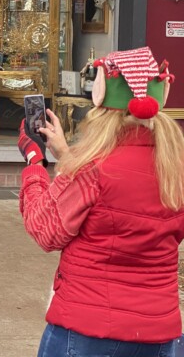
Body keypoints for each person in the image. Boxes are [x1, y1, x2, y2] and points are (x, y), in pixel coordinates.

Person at [17, 46, 184, 357]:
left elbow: (44, 228)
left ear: (102, 103)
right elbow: (124, 196)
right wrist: (66, 155)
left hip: (86, 331)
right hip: (160, 334)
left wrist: (34, 164)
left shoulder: (92, 169)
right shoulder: (176, 168)